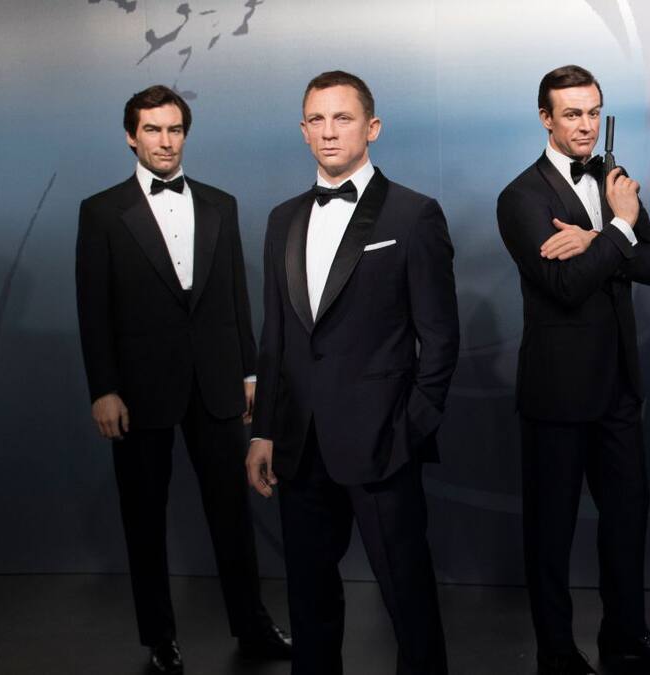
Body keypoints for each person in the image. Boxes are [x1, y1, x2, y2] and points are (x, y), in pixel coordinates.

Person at [246, 70, 459, 675]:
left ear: (373, 128)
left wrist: (409, 429)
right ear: (303, 130)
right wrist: (264, 431)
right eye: (317, 119)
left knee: (408, 597)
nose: (329, 131)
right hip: (299, 444)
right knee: (309, 600)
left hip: (383, 442)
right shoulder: (282, 219)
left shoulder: (414, 214)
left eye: (342, 118)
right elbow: (276, 336)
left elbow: (441, 338)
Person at [75, 84, 290, 674]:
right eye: (152, 129)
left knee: (233, 515)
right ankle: (160, 638)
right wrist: (103, 388)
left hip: (216, 382)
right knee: (144, 517)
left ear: (185, 135)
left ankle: (253, 626)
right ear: (131, 137)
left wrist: (249, 370)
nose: (165, 141)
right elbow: (93, 307)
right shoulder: (101, 211)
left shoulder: (221, 203)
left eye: (174, 129)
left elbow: (234, 295)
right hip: (137, 390)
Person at [496, 64, 650, 675]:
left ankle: (626, 636)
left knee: (627, 519)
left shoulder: (614, 179)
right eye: (571, 114)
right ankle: (557, 653)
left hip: (618, 387)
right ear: (545, 118)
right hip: (556, 394)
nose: (585, 125)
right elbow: (563, 285)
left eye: (592, 112)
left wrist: (598, 238)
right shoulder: (520, 197)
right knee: (551, 532)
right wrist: (617, 229)